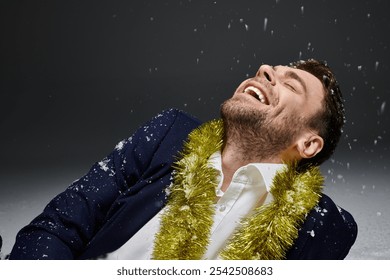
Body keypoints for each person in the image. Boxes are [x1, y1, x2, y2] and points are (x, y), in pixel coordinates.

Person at [10, 59, 357, 260]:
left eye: (291, 84)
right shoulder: (168, 134)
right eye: (271, 70)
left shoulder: (323, 225)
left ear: (309, 144)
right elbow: (61, 224)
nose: (266, 70)